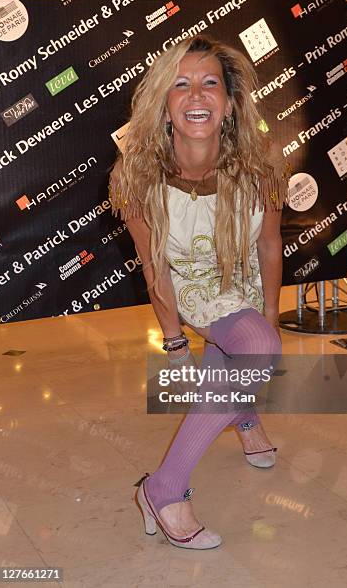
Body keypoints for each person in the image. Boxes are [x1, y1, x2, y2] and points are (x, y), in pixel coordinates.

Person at [108, 35, 291, 550]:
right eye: (181, 85)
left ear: (229, 104)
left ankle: (245, 413)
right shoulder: (136, 178)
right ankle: (163, 490)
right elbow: (154, 267)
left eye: (210, 83)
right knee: (254, 349)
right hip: (191, 286)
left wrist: (271, 315)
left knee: (251, 348)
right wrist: (174, 345)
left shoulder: (264, 165)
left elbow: (271, 245)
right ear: (165, 105)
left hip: (244, 282)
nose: (196, 96)